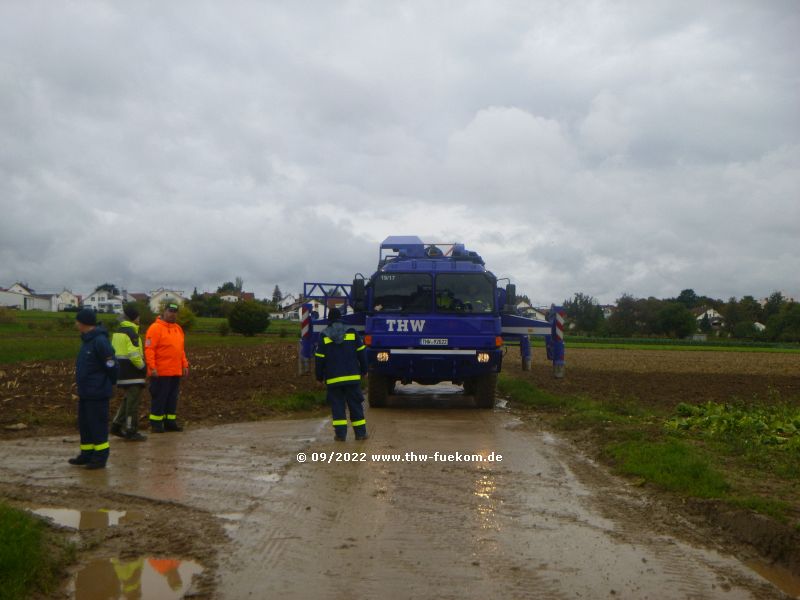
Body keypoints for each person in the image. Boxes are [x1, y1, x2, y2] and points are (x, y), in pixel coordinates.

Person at [70, 308, 117, 469]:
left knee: (97, 425)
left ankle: (100, 457)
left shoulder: (100, 341)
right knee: (86, 425)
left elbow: (111, 364)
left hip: (97, 392)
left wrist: (110, 382)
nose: (75, 324)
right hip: (86, 392)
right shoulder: (87, 340)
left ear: (84, 323)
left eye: (77, 321)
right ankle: (87, 454)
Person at [314, 308, 368, 441]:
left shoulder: (324, 335)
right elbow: (362, 353)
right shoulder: (352, 332)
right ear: (341, 318)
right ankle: (360, 434)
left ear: (329, 320)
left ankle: (340, 435)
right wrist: (364, 370)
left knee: (337, 407)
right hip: (352, 378)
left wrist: (319, 377)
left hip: (333, 379)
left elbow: (319, 359)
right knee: (355, 405)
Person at [145, 302, 189, 433]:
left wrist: (184, 364)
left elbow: (181, 350)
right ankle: (156, 424)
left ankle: (170, 422)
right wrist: (152, 367)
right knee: (160, 398)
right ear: (164, 311)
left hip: (175, 371)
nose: (172, 314)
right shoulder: (155, 328)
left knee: (172, 398)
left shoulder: (178, 329)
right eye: (170, 311)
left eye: (175, 312)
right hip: (160, 372)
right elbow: (149, 349)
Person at [110, 304, 147, 441]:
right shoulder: (132, 333)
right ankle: (131, 430)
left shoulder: (118, 332)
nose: (139, 319)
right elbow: (134, 355)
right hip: (133, 374)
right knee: (132, 403)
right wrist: (144, 368)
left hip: (121, 373)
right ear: (134, 318)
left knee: (128, 401)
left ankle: (116, 425)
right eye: (138, 316)